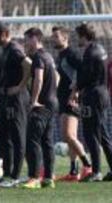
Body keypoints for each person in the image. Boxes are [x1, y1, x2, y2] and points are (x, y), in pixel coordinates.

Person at [0, 22, 32, 188]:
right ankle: (7, 173)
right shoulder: (4, 49)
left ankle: (15, 176)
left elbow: (28, 64)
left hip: (18, 99)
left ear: (4, 34)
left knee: (18, 137)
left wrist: (21, 86)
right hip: (7, 97)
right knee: (3, 136)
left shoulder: (14, 49)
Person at [69, 23, 112, 182]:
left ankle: (96, 172)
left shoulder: (89, 52)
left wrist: (75, 87)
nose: (76, 39)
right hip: (103, 94)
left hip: (93, 96)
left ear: (84, 36)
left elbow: (85, 76)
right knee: (103, 135)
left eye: (77, 36)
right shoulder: (101, 49)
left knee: (91, 134)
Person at [51, 26, 92, 182]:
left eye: (56, 36)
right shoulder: (60, 56)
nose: (53, 39)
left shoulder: (72, 53)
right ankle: (73, 172)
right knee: (69, 136)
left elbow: (82, 72)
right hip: (62, 99)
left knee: (68, 135)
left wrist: (75, 92)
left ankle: (88, 166)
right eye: (53, 36)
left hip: (71, 99)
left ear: (65, 38)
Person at [22, 27, 59, 189]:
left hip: (42, 104)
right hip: (52, 102)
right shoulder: (48, 55)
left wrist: (34, 100)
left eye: (27, 40)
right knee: (47, 141)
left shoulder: (38, 57)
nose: (26, 44)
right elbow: (58, 76)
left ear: (35, 38)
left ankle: (34, 177)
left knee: (32, 141)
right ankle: (49, 178)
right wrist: (52, 92)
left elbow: (39, 78)